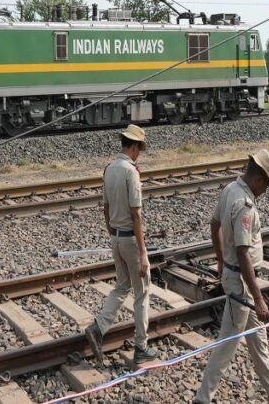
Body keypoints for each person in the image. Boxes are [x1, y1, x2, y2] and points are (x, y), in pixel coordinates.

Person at [194, 150, 269, 404]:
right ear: (258, 179)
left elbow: (214, 224)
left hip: (237, 278)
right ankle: (202, 398)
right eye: (267, 184)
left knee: (259, 342)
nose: (265, 191)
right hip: (241, 283)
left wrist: (220, 260)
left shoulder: (230, 188)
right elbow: (243, 254)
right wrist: (259, 298)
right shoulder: (246, 206)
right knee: (227, 345)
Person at [84, 124, 156, 364]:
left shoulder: (109, 169)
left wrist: (112, 234)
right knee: (142, 292)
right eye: (139, 149)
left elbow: (105, 208)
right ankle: (141, 347)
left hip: (115, 236)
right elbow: (136, 214)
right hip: (130, 240)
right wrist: (143, 253)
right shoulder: (130, 172)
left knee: (122, 285)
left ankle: (98, 328)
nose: (139, 153)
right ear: (134, 146)